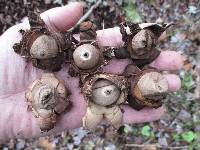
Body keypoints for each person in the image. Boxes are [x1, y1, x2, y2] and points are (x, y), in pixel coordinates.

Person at [0, 2, 183, 143]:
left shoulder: (123, 72)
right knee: (77, 56)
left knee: (109, 86)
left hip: (100, 77)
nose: (145, 43)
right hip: (84, 74)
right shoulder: (50, 76)